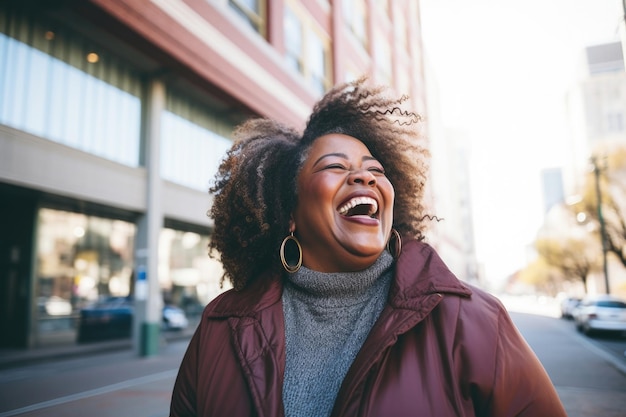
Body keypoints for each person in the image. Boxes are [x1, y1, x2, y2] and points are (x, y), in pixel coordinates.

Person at [169, 77, 567, 417]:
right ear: (288, 212)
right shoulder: (220, 328)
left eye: (375, 170)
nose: (364, 176)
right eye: (336, 167)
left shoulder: (473, 321)